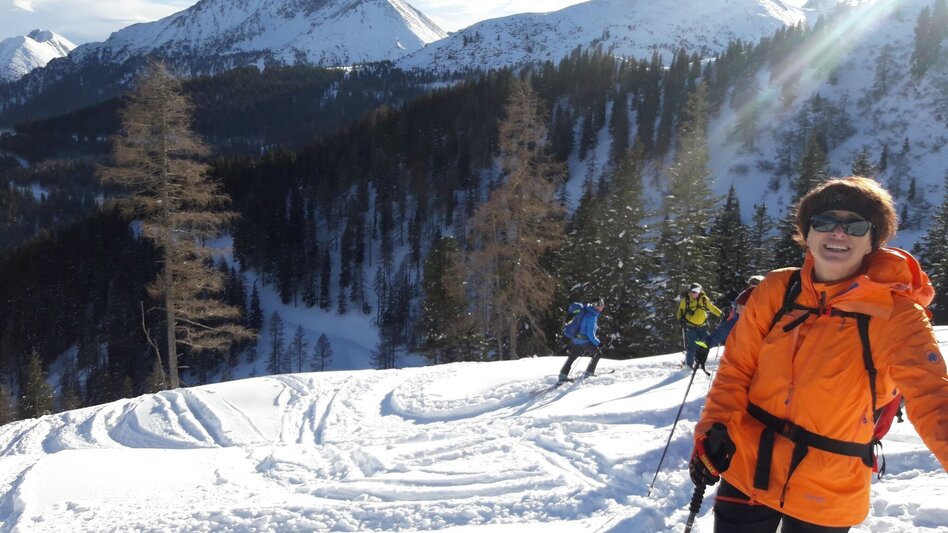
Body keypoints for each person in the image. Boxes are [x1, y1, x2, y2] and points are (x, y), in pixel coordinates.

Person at [689, 176, 948, 532]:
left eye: (854, 225)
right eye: (824, 222)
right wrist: (711, 429)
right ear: (806, 233)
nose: (838, 234)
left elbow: (935, 401)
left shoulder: (898, 316)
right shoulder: (777, 290)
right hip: (748, 465)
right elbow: (736, 370)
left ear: (873, 240)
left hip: (829, 487)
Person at [676, 282, 722, 368]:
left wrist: (721, 314)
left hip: (702, 326)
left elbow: (711, 307)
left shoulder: (704, 299)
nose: (694, 293)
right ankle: (689, 365)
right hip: (690, 326)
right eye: (692, 291)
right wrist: (680, 320)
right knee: (692, 344)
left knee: (704, 344)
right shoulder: (686, 300)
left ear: (700, 291)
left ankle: (700, 360)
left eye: (696, 291)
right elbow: (680, 311)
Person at [558, 298, 604, 382]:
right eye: (600, 304)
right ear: (595, 305)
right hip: (583, 340)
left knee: (572, 357)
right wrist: (598, 343)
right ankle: (589, 373)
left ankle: (562, 375)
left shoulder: (587, 311)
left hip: (576, 339)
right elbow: (590, 334)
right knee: (598, 353)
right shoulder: (592, 316)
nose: (602, 306)